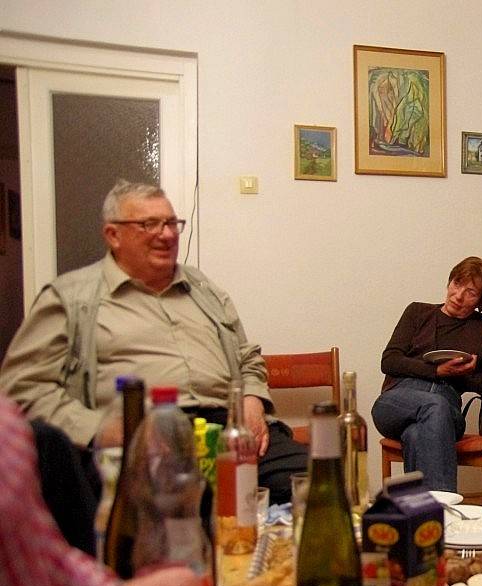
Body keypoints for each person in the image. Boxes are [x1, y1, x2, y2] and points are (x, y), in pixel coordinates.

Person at [0, 179, 306, 504]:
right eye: (150, 224)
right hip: (143, 440)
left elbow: (246, 356)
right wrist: (102, 429)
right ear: (113, 235)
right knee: (185, 511)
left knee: (317, 487)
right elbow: (22, 388)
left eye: (172, 223)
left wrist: (253, 401)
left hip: (228, 431)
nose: (168, 234)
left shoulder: (203, 289)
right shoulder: (70, 297)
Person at [0, 395, 213, 586]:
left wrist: (252, 396)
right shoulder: (9, 439)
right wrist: (98, 430)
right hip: (109, 438)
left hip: (196, 424)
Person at [371, 256, 482, 492]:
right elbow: (389, 361)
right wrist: (436, 370)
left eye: (471, 293)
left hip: (447, 406)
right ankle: (445, 507)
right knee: (432, 408)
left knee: (418, 432)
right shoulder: (417, 312)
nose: (458, 296)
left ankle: (426, 510)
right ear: (449, 282)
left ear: (481, 301)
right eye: (457, 284)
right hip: (399, 400)